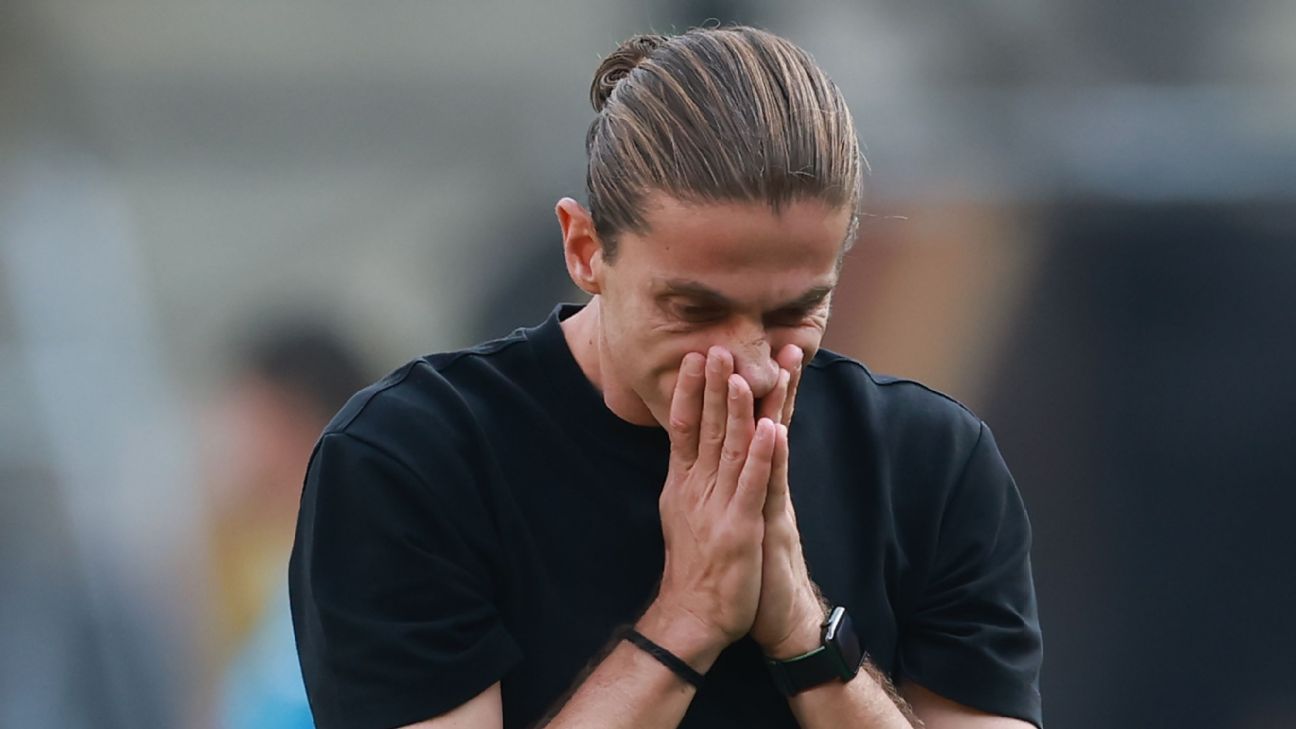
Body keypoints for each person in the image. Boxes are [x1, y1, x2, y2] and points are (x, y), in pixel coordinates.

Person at [289, 26, 1043, 729]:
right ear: (585, 249)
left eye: (794, 311)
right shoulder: (411, 460)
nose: (749, 364)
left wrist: (803, 631)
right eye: (695, 309)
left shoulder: (933, 464)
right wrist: (688, 616)